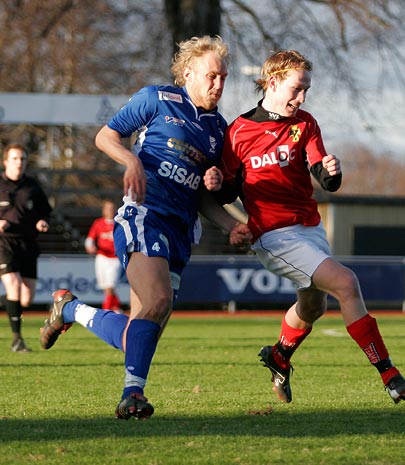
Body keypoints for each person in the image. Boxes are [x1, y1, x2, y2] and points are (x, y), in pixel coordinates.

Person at [39, 35, 250, 420]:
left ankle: (70, 311)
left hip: (181, 231)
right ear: (188, 73)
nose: (218, 85)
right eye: (211, 76)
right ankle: (131, 396)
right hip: (144, 216)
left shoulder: (219, 129)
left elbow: (204, 196)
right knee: (158, 302)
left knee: (140, 331)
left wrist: (231, 224)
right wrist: (131, 162)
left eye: (223, 78)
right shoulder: (156, 99)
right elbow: (106, 136)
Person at [213, 49, 405, 404]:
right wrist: (217, 184)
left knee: (312, 308)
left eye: (306, 89)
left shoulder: (305, 123)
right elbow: (227, 189)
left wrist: (332, 172)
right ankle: (389, 375)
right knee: (346, 283)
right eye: (296, 88)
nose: (301, 97)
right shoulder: (238, 132)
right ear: (272, 82)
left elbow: (323, 174)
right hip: (273, 235)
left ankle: (279, 355)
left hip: (309, 229)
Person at [0, 143, 52, 353]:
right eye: (15, 158)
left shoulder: (33, 187)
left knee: (26, 297)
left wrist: (43, 221)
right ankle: (17, 340)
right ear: (5, 162)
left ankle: (11, 309)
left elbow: (45, 212)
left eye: (22, 159)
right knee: (13, 284)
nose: (19, 163)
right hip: (4, 241)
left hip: (28, 243)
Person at [84, 200, 122, 312]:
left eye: (112, 208)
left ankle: (106, 310)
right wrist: (89, 246)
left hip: (115, 259)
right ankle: (116, 307)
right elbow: (90, 239)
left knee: (110, 286)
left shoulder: (119, 223)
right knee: (106, 288)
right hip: (101, 258)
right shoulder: (98, 223)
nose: (110, 210)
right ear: (103, 210)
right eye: (107, 208)